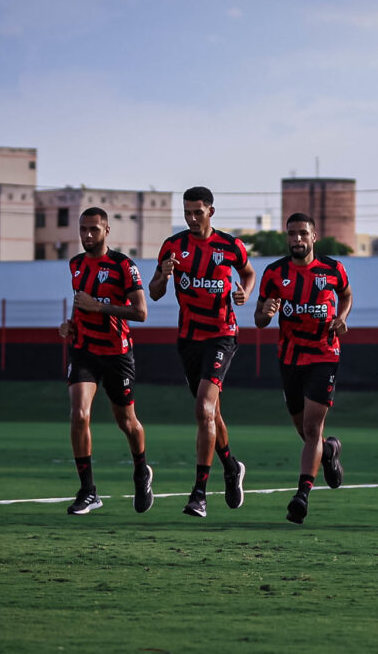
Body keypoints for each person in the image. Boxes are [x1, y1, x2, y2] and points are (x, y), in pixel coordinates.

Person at [149, 186, 256, 518]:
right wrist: (164, 277)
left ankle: (199, 494)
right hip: (189, 339)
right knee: (211, 415)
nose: (192, 218)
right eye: (187, 212)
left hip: (222, 336)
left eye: (198, 212)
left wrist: (244, 294)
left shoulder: (230, 246)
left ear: (211, 211)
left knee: (203, 409)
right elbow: (153, 293)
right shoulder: (173, 247)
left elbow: (248, 274)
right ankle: (231, 466)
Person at [255, 212, 352, 524]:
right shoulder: (274, 273)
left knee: (312, 428)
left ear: (314, 236)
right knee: (304, 431)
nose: (297, 239)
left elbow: (346, 295)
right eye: (292, 234)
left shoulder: (333, 269)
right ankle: (329, 453)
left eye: (302, 233)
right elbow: (258, 319)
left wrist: (342, 316)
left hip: (324, 356)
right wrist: (266, 313)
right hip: (290, 359)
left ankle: (302, 496)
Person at [57, 207, 154, 515]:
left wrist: (99, 307)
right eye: (83, 229)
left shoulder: (124, 265)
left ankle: (141, 471)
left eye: (94, 229)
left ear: (106, 231)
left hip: (117, 353)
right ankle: (88, 491)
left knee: (127, 422)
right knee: (79, 414)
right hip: (84, 350)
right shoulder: (75, 265)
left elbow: (141, 312)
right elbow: (80, 306)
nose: (87, 235)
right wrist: (69, 325)